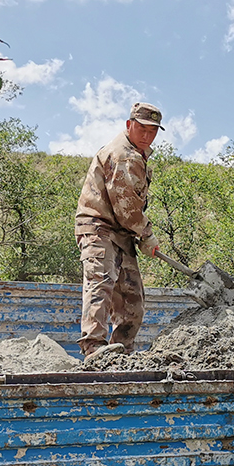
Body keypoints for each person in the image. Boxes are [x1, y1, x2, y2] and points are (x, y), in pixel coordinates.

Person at [74, 100, 165, 358]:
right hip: (98, 228)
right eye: (142, 129)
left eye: (153, 131)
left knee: (132, 298)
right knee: (100, 283)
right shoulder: (122, 154)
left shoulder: (138, 154)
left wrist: (139, 233)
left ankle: (121, 353)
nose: (148, 135)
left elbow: (128, 212)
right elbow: (127, 209)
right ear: (129, 125)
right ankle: (93, 349)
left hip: (121, 233)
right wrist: (146, 234)